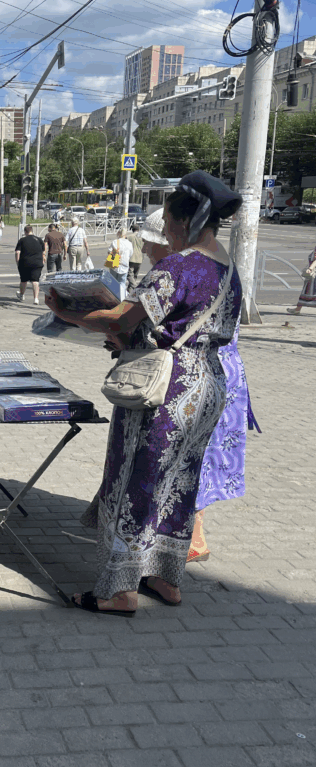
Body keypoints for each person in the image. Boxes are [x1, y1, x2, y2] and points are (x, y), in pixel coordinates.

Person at [46, 171, 243, 616]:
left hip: (166, 390)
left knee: (136, 479)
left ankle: (119, 591)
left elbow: (122, 319)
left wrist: (68, 312)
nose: (166, 234)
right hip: (209, 384)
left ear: (186, 222)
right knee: (180, 481)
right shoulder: (228, 269)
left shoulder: (178, 266)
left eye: (169, 224)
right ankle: (165, 578)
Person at [137, 209, 260, 563]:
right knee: (195, 457)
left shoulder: (182, 271)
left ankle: (189, 538)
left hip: (197, 378)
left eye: (151, 242)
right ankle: (185, 535)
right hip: (220, 376)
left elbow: (142, 324)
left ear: (172, 238)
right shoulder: (216, 266)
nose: (145, 250)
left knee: (192, 457)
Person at [15, 225, 45, 304]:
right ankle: (36, 299)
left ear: (25, 232)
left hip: (24, 263)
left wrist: (18, 262)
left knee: (23, 280)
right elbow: (43, 252)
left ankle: (22, 295)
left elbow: (17, 252)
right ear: (32, 231)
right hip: (37, 263)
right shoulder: (39, 240)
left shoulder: (22, 240)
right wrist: (43, 260)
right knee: (35, 281)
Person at [286, 243, 316, 314]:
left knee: (308, 292)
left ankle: (297, 309)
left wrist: (310, 268)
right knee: (305, 292)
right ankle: (297, 309)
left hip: (314, 275)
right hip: (312, 276)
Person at [105, 228, 134, 299]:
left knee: (113, 282)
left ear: (118, 233)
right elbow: (131, 254)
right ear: (125, 234)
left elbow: (109, 251)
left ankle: (113, 297)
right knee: (122, 282)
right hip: (124, 265)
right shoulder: (129, 243)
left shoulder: (115, 242)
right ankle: (121, 298)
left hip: (114, 265)